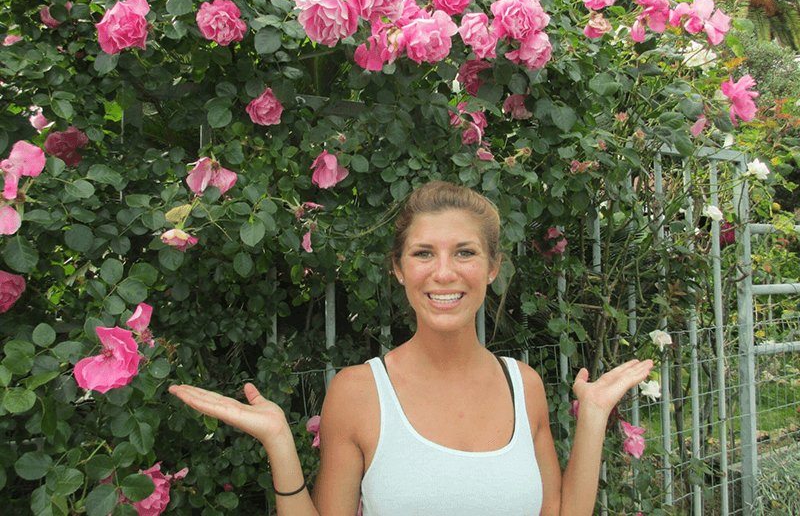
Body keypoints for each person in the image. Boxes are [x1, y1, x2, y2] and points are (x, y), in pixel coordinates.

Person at [169, 181, 654, 516]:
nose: (443, 272)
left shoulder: (523, 386)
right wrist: (279, 442)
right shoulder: (358, 392)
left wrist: (593, 417)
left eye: (464, 252)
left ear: (492, 267)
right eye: (423, 253)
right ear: (399, 269)